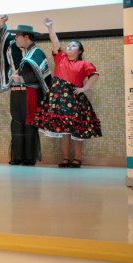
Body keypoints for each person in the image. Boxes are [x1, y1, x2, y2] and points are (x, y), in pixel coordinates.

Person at [34, 18, 101, 168]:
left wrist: (84, 89)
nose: (70, 47)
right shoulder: (61, 58)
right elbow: (56, 43)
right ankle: (65, 158)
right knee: (63, 130)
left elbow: (95, 75)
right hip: (58, 98)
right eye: (69, 45)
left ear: (80, 51)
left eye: (74, 45)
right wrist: (50, 28)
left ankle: (77, 158)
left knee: (76, 129)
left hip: (74, 98)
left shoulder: (84, 64)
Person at [0, 17, 51, 166]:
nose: (15, 38)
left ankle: (29, 157)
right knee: (17, 122)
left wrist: (22, 79)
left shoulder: (37, 52)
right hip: (15, 93)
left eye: (18, 36)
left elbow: (40, 73)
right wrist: (2, 25)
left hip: (30, 93)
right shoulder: (13, 48)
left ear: (26, 37)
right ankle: (17, 157)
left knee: (29, 122)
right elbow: (5, 41)